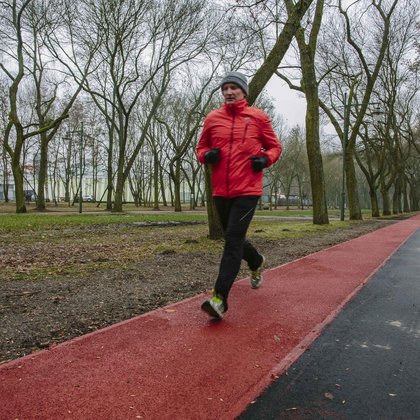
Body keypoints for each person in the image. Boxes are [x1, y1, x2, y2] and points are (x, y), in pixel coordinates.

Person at [196, 71, 282, 320]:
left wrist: (265, 159)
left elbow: (275, 146)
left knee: (232, 240)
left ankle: (219, 299)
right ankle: (255, 261)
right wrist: (205, 156)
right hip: (221, 190)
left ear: (244, 92)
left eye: (234, 88)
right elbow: (201, 147)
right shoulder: (213, 118)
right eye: (225, 89)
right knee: (233, 237)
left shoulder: (258, 117)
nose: (229, 92)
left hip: (248, 189)